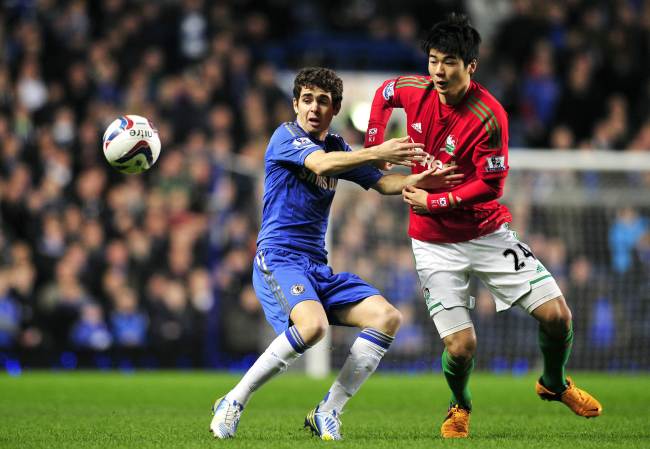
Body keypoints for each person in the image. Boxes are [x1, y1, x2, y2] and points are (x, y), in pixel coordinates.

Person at [364, 13, 602, 439]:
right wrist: (375, 148)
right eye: (434, 59)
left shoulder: (489, 116)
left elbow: (490, 185)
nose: (438, 70)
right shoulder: (414, 89)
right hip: (434, 243)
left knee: (558, 316)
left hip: (486, 233)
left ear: (471, 65)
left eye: (450, 61)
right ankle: (460, 405)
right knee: (461, 346)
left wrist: (435, 199)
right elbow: (383, 95)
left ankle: (553, 382)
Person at [209, 67, 463, 440]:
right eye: (307, 99)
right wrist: (376, 150)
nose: (313, 108)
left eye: (323, 101)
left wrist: (422, 180)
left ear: (335, 108)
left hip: (317, 267)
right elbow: (322, 165)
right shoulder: (286, 137)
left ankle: (327, 411)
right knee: (313, 327)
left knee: (386, 317)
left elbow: (381, 183)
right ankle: (232, 400)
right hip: (279, 258)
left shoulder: (338, 146)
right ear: (295, 104)